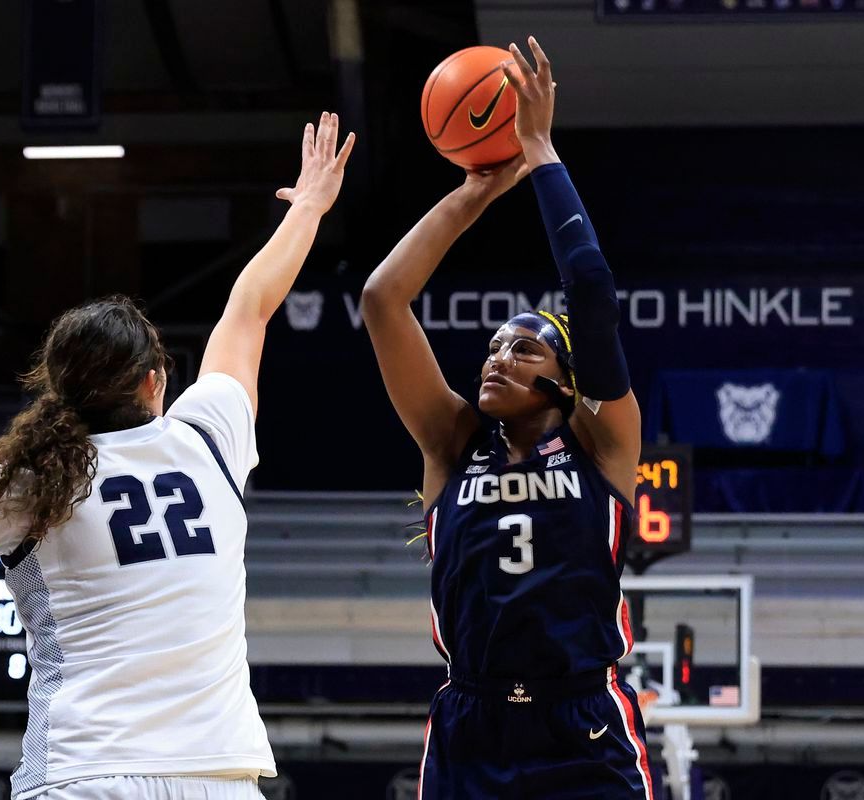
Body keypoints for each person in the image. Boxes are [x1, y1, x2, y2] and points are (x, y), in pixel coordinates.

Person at [0, 112, 355, 800]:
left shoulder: (29, 483)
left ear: (60, 390)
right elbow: (248, 309)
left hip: (86, 772)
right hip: (216, 778)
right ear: (157, 381)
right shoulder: (209, 438)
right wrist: (308, 205)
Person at [361, 38, 653, 799]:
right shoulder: (450, 442)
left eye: (523, 350)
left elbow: (587, 283)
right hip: (472, 721)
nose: (497, 358)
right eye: (491, 347)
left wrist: (537, 149)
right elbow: (382, 300)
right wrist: (477, 189)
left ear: (565, 380)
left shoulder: (603, 441)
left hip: (584, 722)